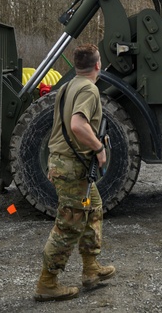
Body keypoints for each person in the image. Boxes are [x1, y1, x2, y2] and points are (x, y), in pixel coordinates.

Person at [34, 43, 116, 302]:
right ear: (97, 65)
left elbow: (59, 127)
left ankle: (91, 269)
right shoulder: (89, 89)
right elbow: (77, 125)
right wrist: (99, 148)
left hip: (67, 163)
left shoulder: (67, 86)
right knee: (69, 223)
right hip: (71, 165)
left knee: (93, 208)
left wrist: (55, 162)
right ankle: (47, 283)